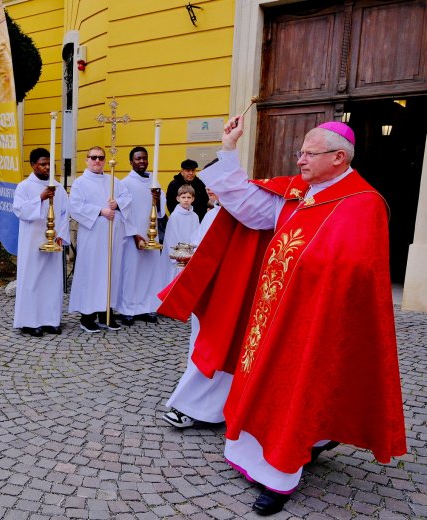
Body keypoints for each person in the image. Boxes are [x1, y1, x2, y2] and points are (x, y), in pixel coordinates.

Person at [164, 118, 406, 516]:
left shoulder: (363, 204)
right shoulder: (297, 193)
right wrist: (228, 148)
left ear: (339, 158)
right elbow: (245, 203)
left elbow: (360, 272)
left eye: (309, 154)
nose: (301, 159)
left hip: (318, 323)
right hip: (271, 316)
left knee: (301, 390)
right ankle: (276, 449)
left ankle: (280, 478)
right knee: (266, 386)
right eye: (301, 152)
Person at [162, 187, 233, 429]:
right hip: (207, 288)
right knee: (201, 343)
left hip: (226, 290)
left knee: (214, 347)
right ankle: (200, 404)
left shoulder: (238, 214)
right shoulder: (213, 213)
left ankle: (196, 406)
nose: (211, 189)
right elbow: (197, 244)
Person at [68, 146, 132, 332]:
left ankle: (106, 314)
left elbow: (127, 197)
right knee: (92, 274)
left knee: (110, 273)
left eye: (101, 158)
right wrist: (100, 211)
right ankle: (87, 317)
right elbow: (76, 207)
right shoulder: (80, 183)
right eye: (93, 157)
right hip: (92, 238)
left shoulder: (113, 181)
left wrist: (117, 203)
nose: (97, 161)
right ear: (86, 160)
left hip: (111, 238)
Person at [12, 148, 70, 337]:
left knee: (52, 280)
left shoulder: (58, 188)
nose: (47, 168)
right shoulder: (24, 187)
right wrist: (40, 198)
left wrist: (60, 234)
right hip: (32, 240)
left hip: (53, 241)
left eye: (49, 164)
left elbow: (64, 213)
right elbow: (19, 210)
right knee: (32, 279)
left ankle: (50, 320)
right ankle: (29, 321)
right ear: (33, 165)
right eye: (43, 164)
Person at [116, 146, 167, 326]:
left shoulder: (154, 181)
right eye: (138, 159)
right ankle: (127, 309)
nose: (142, 161)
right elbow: (123, 212)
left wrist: (157, 198)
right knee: (131, 272)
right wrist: (135, 234)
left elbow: (160, 212)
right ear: (131, 162)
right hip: (133, 235)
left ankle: (146, 307)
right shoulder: (125, 184)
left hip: (151, 234)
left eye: (144, 158)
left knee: (150, 271)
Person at [161, 184, 201, 281]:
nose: (186, 200)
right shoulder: (174, 216)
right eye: (183, 197)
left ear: (193, 199)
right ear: (178, 198)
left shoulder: (195, 216)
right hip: (178, 255)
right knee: (175, 278)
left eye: (189, 197)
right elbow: (171, 237)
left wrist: (193, 250)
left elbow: (197, 234)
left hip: (190, 253)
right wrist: (179, 254)